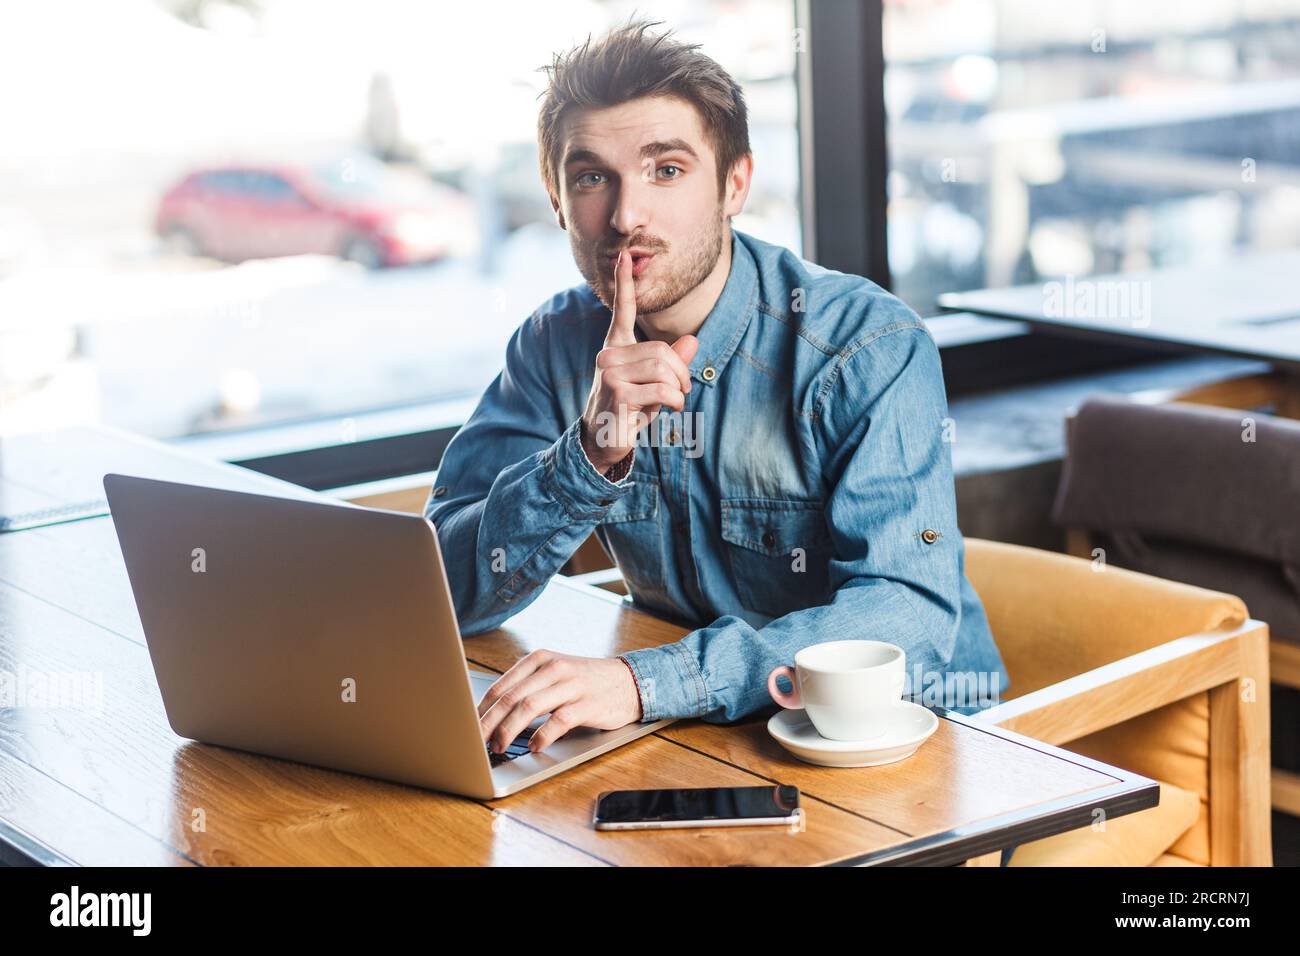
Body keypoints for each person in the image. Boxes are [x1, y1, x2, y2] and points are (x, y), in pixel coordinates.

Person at [425, 18, 1009, 764]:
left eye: (666, 170)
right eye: (592, 176)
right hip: (705, 740)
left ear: (735, 184)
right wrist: (588, 459)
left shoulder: (866, 346)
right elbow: (446, 591)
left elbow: (910, 616)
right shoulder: (554, 345)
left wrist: (645, 684)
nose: (627, 216)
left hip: (918, 747)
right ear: (556, 198)